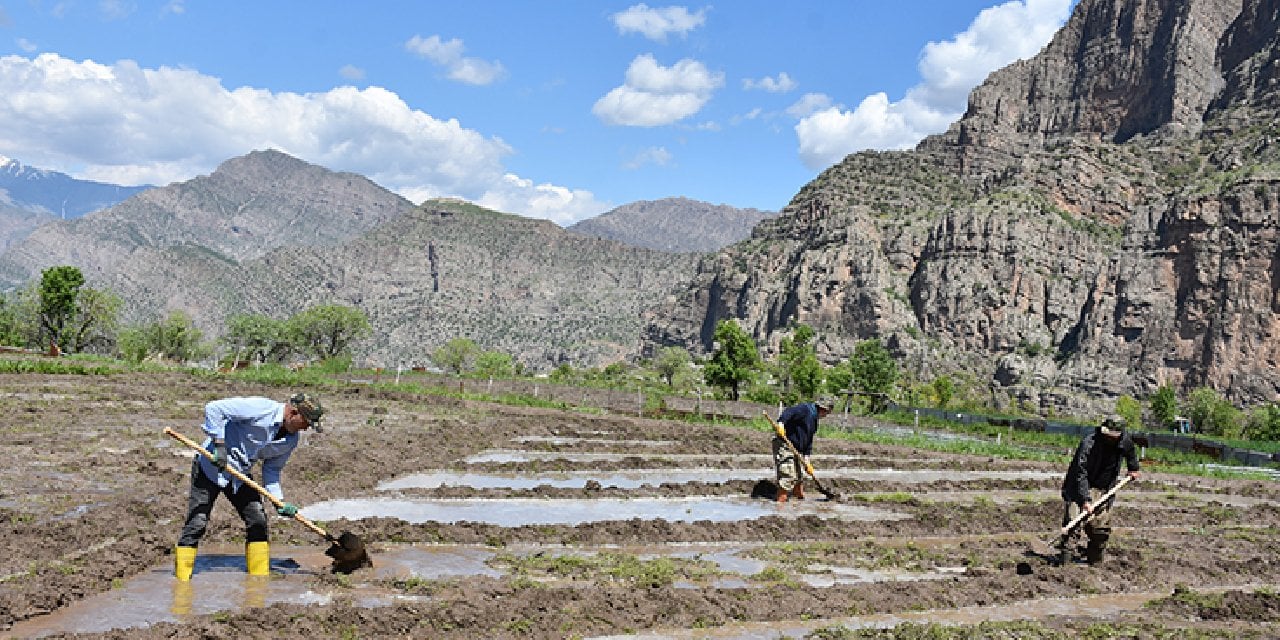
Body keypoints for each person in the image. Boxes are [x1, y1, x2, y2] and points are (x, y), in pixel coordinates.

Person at [173, 393, 324, 581]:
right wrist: (219, 445)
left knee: (258, 520)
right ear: (294, 413)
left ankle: (259, 579)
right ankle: (182, 580)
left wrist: (279, 501)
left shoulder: (290, 440)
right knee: (198, 521)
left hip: (240, 474)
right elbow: (214, 408)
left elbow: (272, 469)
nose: (307, 428)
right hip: (210, 467)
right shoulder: (260, 409)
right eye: (306, 422)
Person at [1059, 415, 1141, 565]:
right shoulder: (1089, 443)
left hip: (1104, 488)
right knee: (1073, 523)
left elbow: (1130, 452)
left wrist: (1133, 468)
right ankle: (1065, 563)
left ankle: (1095, 562)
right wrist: (1085, 499)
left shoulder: (1124, 441)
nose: (1108, 437)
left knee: (1100, 529)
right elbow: (1080, 472)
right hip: (1079, 486)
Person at [773, 396, 834, 503]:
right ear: (823, 409)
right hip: (785, 444)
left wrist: (807, 461)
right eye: (827, 413)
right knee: (788, 477)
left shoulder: (814, 421)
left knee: (798, 477)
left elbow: (808, 441)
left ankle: (799, 501)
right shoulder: (805, 409)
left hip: (797, 448)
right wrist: (781, 424)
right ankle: (779, 506)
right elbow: (788, 412)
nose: (826, 416)